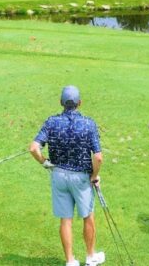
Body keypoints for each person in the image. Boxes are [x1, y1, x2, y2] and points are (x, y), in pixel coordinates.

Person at [29, 86, 105, 266]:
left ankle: (70, 261)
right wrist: (94, 175)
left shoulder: (51, 122)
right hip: (81, 179)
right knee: (88, 216)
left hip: (59, 176)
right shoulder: (89, 124)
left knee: (66, 220)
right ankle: (90, 257)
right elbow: (98, 157)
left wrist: (44, 162)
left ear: (61, 102)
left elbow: (33, 148)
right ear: (80, 103)